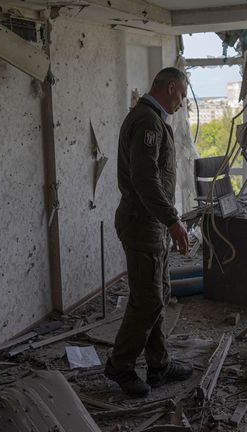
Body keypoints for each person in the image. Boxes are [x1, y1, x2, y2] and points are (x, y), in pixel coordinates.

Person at [104, 67, 193, 396]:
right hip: (142, 224)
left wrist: (167, 221)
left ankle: (158, 365)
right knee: (147, 300)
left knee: (158, 294)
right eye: (182, 95)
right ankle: (120, 365)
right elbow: (145, 180)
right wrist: (172, 219)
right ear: (171, 88)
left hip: (151, 224)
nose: (182, 103)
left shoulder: (152, 119)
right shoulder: (147, 122)